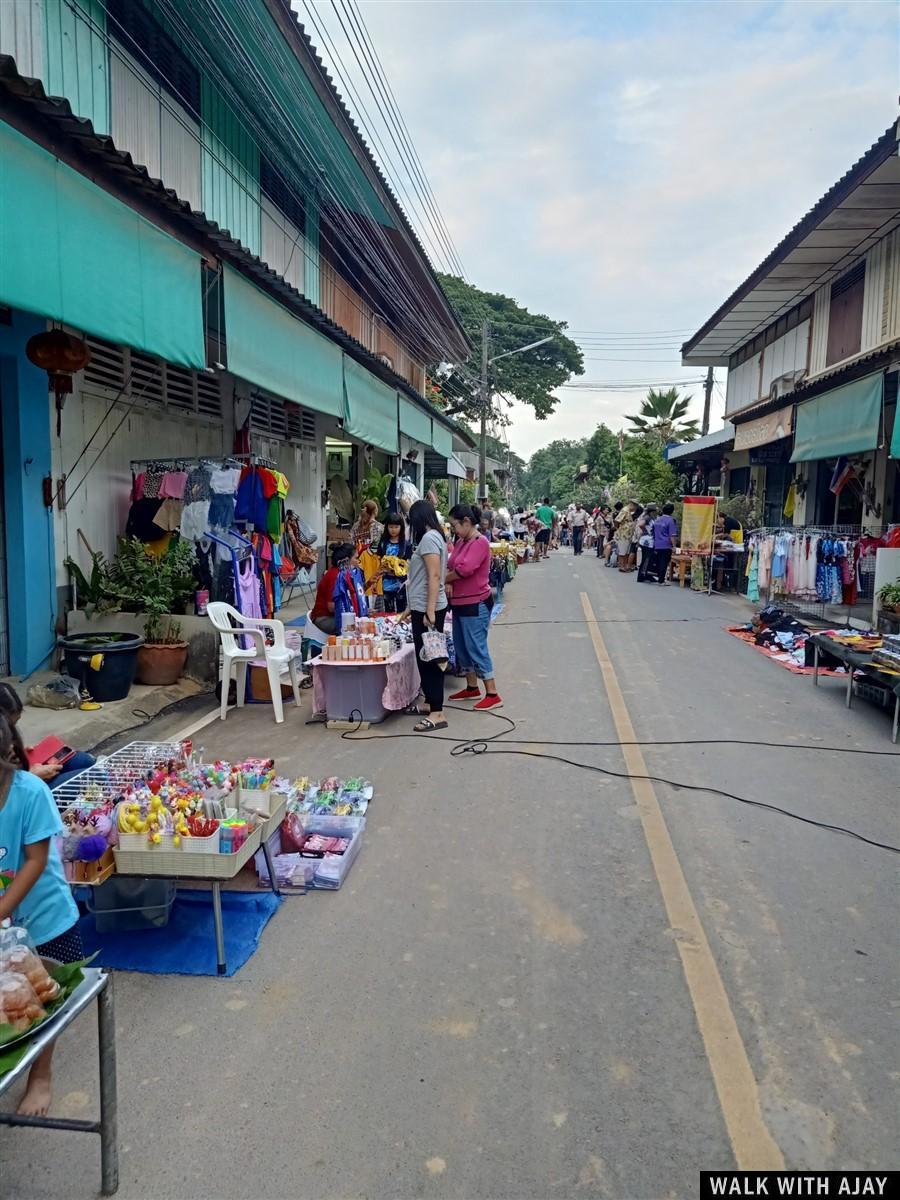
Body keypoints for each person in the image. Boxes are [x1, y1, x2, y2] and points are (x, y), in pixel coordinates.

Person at [0, 712, 82, 1116]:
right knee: (9, 1003)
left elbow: (34, 861)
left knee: (44, 1000)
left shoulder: (30, 792)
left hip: (43, 918)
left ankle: (41, 1076)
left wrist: (1, 911)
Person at [445, 504, 503, 710]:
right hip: (460, 603)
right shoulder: (462, 541)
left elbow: (465, 570)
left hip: (475, 603)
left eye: (455, 525)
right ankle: (472, 687)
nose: (453, 530)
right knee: (461, 647)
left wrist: (442, 579)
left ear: (467, 522)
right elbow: (453, 565)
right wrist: (449, 581)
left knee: (476, 647)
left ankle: (492, 693)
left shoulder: (480, 542)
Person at [400, 500, 449, 733]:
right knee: (426, 657)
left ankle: (437, 712)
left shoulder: (429, 539)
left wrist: (429, 609)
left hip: (430, 608)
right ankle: (431, 702)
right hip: (423, 606)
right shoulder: (435, 537)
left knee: (430, 659)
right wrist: (414, 606)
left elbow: (434, 575)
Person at [0, 684, 96, 792]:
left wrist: (18, 754)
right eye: (9, 726)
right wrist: (32, 776)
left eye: (15, 723)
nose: (12, 731)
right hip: (19, 793)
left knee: (85, 761)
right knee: (95, 776)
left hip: (21, 776)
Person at [310, 544, 355, 634]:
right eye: (356, 558)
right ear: (346, 560)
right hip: (324, 618)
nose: (358, 561)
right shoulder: (335, 576)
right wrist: (352, 610)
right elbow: (332, 606)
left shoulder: (343, 574)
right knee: (354, 628)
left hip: (335, 616)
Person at [375, 513, 412, 614]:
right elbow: (378, 559)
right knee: (388, 610)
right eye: (391, 527)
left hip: (401, 583)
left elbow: (408, 563)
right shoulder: (383, 543)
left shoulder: (406, 544)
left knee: (401, 610)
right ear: (386, 527)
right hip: (386, 582)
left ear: (401, 527)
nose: (393, 529)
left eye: (396, 527)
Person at [652, 502, 678, 585]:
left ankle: (659, 577)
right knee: (664, 562)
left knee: (659, 561)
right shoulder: (670, 521)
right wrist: (674, 546)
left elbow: (653, 532)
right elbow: (672, 536)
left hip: (657, 544)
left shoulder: (657, 520)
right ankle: (661, 580)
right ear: (672, 511)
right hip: (666, 545)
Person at [635, 502, 659, 582]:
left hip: (647, 540)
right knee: (646, 559)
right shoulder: (647, 518)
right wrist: (647, 531)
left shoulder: (650, 518)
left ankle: (646, 574)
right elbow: (641, 525)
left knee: (647, 558)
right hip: (647, 541)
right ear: (652, 511)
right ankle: (641, 576)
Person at [615, 501, 640, 572]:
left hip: (628, 535)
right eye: (635, 507)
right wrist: (619, 529)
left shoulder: (628, 511)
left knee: (626, 552)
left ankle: (625, 566)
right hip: (623, 534)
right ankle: (621, 566)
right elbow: (617, 520)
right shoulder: (625, 510)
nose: (635, 509)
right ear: (632, 505)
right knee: (622, 551)